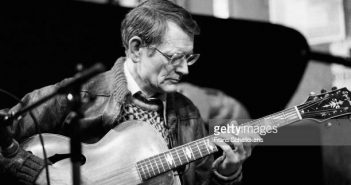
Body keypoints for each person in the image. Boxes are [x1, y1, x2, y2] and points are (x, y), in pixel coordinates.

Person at [0, 0, 259, 184]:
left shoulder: (187, 113)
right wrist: (37, 172)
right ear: (136, 48)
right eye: (174, 57)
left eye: (189, 59)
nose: (184, 71)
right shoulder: (82, 94)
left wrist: (227, 171)